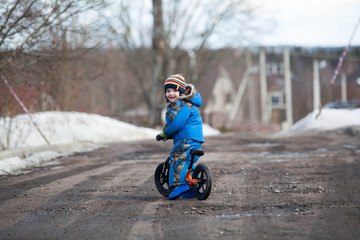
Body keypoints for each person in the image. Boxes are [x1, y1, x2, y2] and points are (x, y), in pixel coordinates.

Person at [156, 73, 204, 200]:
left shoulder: (181, 104)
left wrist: (164, 133)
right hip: (193, 139)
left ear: (181, 92)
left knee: (177, 158)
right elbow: (181, 124)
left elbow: (177, 123)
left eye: (174, 91)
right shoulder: (185, 103)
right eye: (168, 91)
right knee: (187, 162)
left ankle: (181, 185)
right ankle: (192, 187)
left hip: (186, 139)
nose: (171, 94)